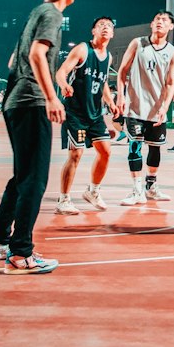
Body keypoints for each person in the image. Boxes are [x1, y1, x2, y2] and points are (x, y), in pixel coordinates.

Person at [0, 0, 74, 274]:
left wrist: (12, 98)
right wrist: (49, 97)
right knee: (35, 180)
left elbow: (13, 59)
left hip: (17, 100)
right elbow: (36, 54)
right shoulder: (52, 14)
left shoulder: (35, 12)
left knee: (22, 178)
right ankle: (21, 254)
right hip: (31, 102)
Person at [116, 11, 174, 206]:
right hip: (135, 107)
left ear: (171, 27)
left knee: (155, 148)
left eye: (165, 21)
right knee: (135, 145)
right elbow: (122, 72)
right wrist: (120, 96)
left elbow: (170, 84)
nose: (160, 22)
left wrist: (165, 108)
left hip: (157, 110)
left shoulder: (173, 53)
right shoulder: (138, 43)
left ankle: (150, 187)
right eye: (157, 20)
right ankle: (136, 190)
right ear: (152, 24)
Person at [54, 16, 117, 213]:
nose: (105, 28)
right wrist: (64, 84)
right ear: (93, 31)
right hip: (76, 113)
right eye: (101, 25)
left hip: (95, 114)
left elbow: (104, 82)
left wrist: (111, 102)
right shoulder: (83, 49)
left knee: (106, 152)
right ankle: (63, 199)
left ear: (112, 33)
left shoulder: (108, 57)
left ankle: (93, 191)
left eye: (109, 26)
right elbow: (61, 71)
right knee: (76, 153)